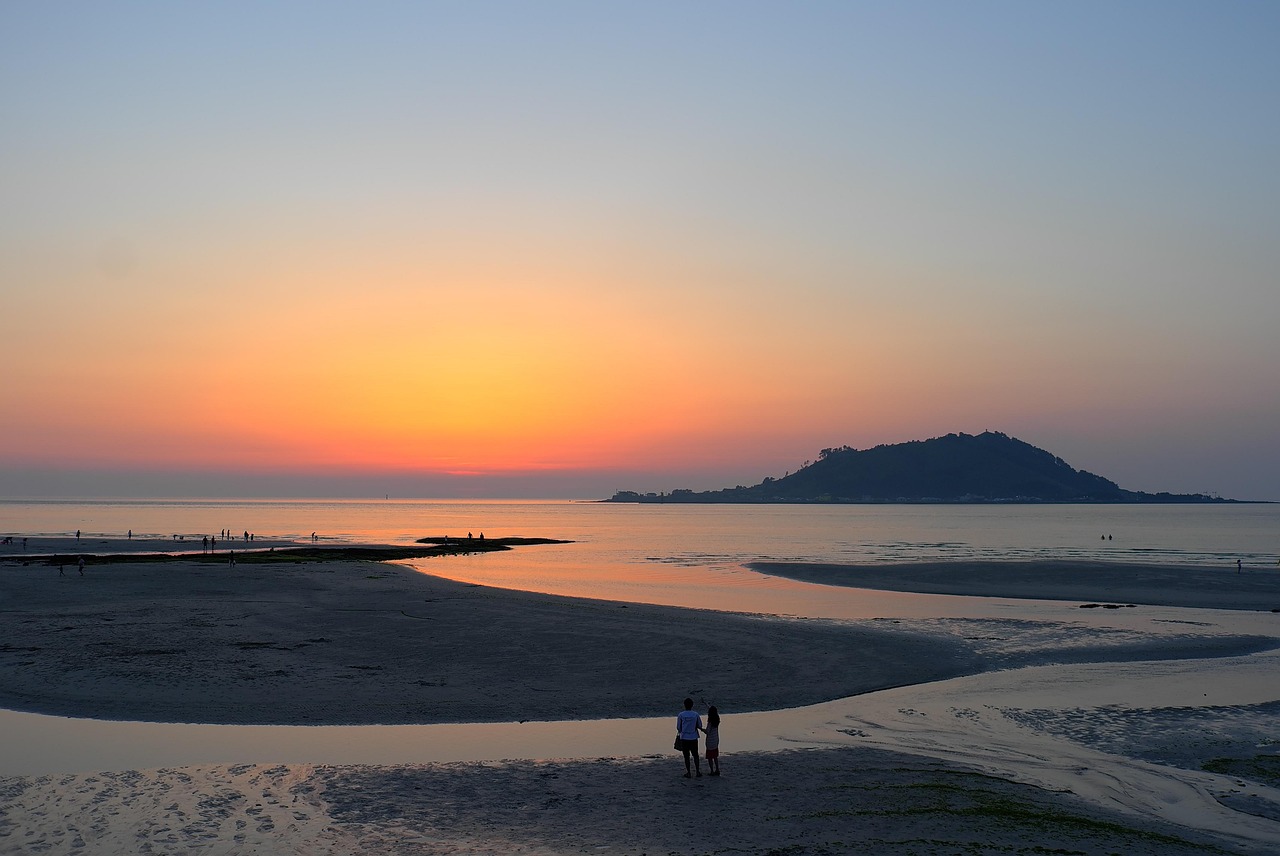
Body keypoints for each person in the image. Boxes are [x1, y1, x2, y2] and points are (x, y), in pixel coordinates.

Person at [676, 697, 703, 778]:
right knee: (695, 755)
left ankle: (689, 772)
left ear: (684, 705)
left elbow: (678, 727)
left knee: (686, 756)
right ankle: (697, 771)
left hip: (684, 737)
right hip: (693, 737)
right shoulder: (695, 714)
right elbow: (700, 725)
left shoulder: (681, 715)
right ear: (692, 705)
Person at [704, 705, 721, 775]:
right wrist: (705, 703)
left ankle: (712, 771)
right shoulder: (717, 719)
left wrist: (701, 729)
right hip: (716, 740)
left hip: (710, 741)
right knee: (715, 756)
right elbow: (712, 710)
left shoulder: (710, 722)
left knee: (710, 757)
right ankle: (717, 769)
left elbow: (707, 731)